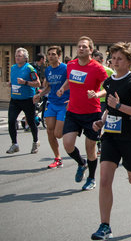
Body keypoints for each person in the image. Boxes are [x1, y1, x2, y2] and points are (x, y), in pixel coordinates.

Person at [91, 42, 131, 241]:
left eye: (120, 58)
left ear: (128, 61)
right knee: (104, 180)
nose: (115, 62)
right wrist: (101, 120)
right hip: (110, 136)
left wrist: (119, 105)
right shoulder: (109, 82)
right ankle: (105, 225)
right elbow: (110, 108)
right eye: (113, 58)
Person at [57, 36, 108, 191]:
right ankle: (81, 163)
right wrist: (63, 88)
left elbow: (109, 87)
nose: (81, 49)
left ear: (90, 50)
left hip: (92, 113)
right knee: (67, 144)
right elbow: (69, 80)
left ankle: (91, 178)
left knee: (90, 148)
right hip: (73, 111)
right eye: (79, 46)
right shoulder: (71, 65)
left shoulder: (97, 68)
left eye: (84, 47)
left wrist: (98, 94)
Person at [33, 46, 69, 168]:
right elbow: (48, 87)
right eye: (49, 54)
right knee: (49, 131)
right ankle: (58, 158)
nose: (51, 56)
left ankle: (71, 127)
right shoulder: (48, 70)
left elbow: (71, 83)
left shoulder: (65, 68)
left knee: (58, 134)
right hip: (52, 103)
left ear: (59, 56)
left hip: (64, 103)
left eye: (53, 54)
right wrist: (40, 94)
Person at [6, 48, 41, 154]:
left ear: (25, 58)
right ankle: (14, 144)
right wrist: (11, 84)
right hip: (15, 99)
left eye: (19, 56)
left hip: (27, 100)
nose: (17, 57)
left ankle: (35, 141)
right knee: (11, 121)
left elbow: (38, 83)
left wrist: (25, 82)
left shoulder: (29, 68)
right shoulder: (13, 68)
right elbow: (13, 80)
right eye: (16, 55)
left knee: (30, 122)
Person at [93, 50, 115, 156]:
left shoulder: (109, 71)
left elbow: (115, 84)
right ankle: (99, 144)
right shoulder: (90, 70)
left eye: (97, 61)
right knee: (97, 123)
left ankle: (105, 144)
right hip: (94, 100)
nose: (95, 63)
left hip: (106, 100)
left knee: (105, 122)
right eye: (93, 61)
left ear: (102, 61)